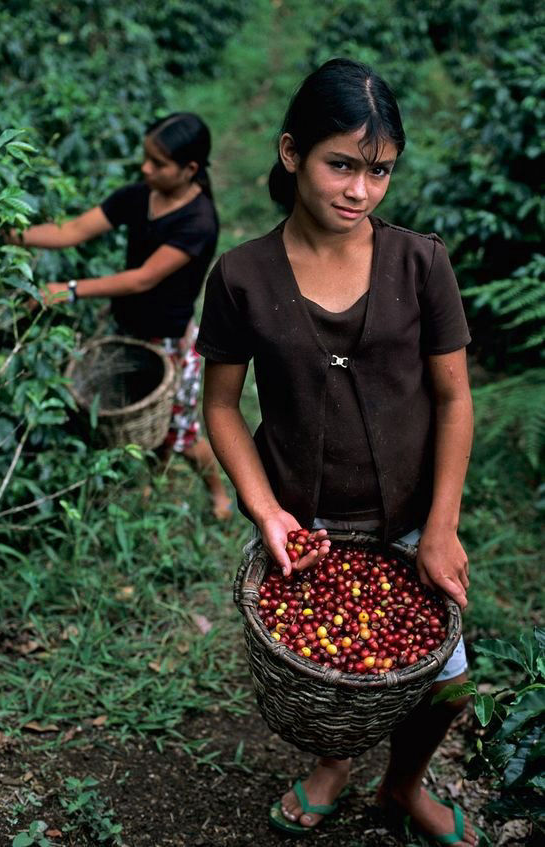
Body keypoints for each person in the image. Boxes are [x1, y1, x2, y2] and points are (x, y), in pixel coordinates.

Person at [197, 60, 485, 845]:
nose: (360, 190)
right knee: (339, 679)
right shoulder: (243, 277)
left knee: (449, 687)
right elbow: (219, 406)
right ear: (292, 153)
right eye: (342, 165)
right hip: (311, 520)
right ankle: (335, 763)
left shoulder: (419, 263)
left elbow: (456, 398)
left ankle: (401, 784)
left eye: (380, 170)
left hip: (410, 515)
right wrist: (269, 511)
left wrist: (441, 524)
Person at [8, 112, 231, 520]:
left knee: (178, 434)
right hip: (127, 327)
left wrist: (69, 290)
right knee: (137, 423)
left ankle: (218, 494)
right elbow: (73, 230)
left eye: (158, 163)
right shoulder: (138, 195)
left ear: (190, 170)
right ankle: (151, 484)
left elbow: (142, 280)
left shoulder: (197, 222)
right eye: (145, 158)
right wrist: (10, 235)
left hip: (167, 341)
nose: (145, 168)